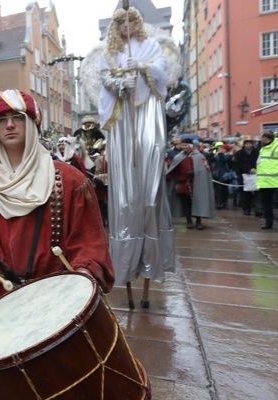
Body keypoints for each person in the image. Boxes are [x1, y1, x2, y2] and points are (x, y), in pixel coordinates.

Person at [0, 89, 114, 316]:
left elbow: (90, 242)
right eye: (2, 120)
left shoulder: (71, 180)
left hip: (57, 297)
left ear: (33, 125)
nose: (9, 125)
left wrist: (82, 276)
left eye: (18, 118)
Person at [96, 6, 175, 284]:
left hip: (146, 114)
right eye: (121, 22)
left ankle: (154, 259)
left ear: (137, 23)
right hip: (122, 119)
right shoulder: (109, 54)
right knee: (126, 191)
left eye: (130, 21)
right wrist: (120, 83)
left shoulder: (150, 45)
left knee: (151, 182)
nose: (126, 26)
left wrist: (142, 68)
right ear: (115, 27)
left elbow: (162, 74)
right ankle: (126, 261)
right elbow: (104, 78)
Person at [167, 139, 215, 230]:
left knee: (198, 202)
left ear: (190, 146)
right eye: (182, 145)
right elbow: (173, 169)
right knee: (186, 203)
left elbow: (205, 169)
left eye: (185, 145)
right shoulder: (178, 157)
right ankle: (189, 221)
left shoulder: (199, 156)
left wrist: (195, 172)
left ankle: (198, 221)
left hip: (197, 184)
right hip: (183, 183)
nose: (183, 147)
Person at [234, 139, 259, 215]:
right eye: (246, 144)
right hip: (243, 175)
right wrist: (248, 169)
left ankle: (257, 209)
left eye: (250, 144)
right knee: (245, 193)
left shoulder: (257, 152)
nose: (248, 145)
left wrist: (255, 169)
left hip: (256, 174)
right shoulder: (239, 153)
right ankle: (246, 208)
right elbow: (238, 164)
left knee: (257, 192)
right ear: (244, 145)